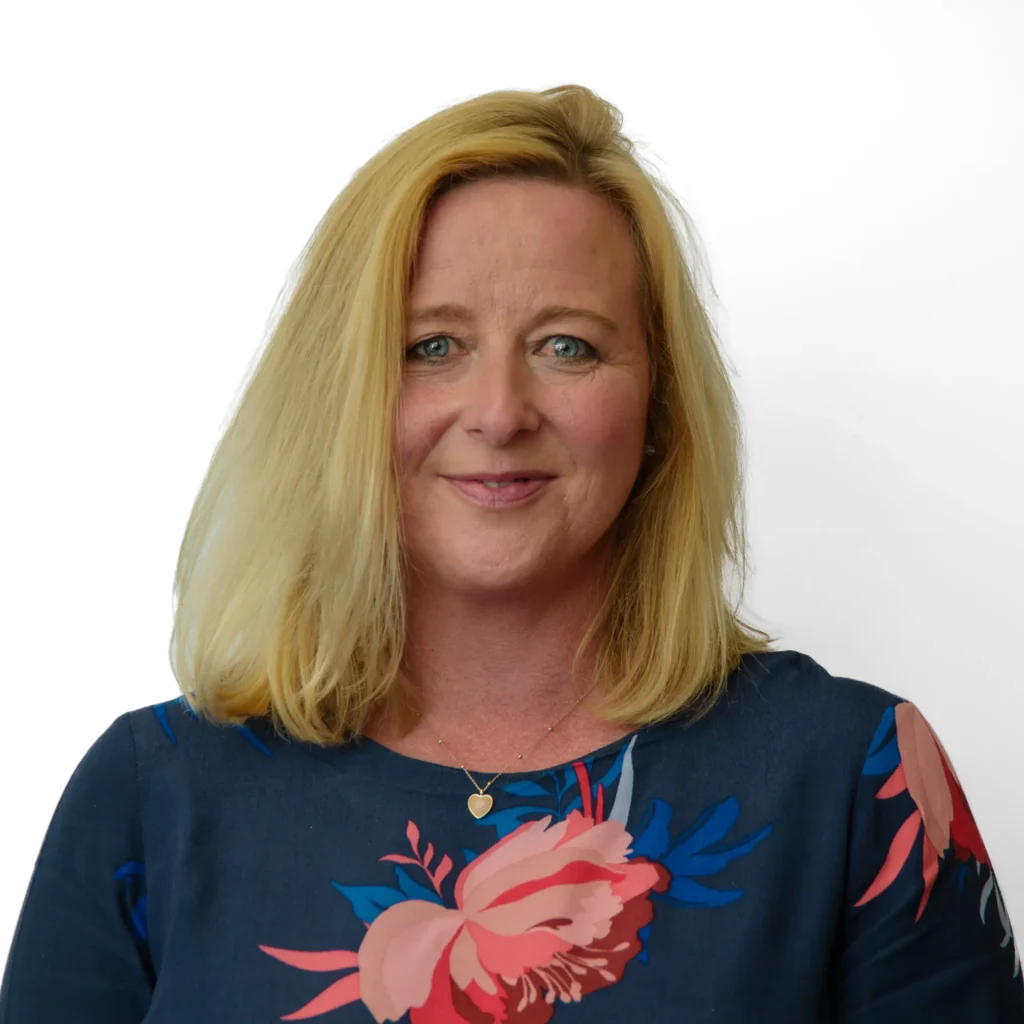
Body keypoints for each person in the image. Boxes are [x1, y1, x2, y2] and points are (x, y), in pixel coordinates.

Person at [1, 83, 1020, 1024]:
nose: (498, 412)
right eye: (430, 346)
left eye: (566, 345)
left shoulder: (858, 781)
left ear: (658, 403)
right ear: (341, 398)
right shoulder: (150, 793)